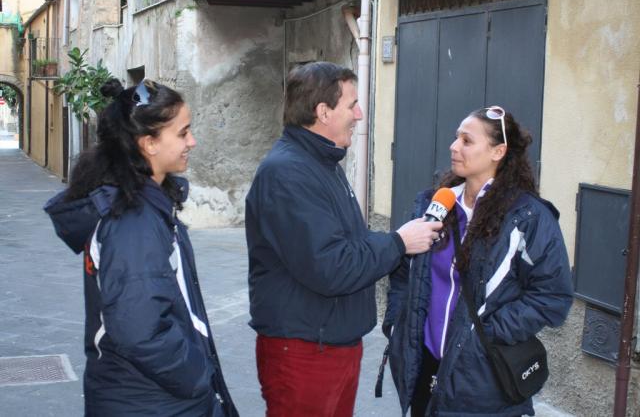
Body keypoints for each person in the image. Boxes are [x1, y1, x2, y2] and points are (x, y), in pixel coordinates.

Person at [245, 61, 442, 417]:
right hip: (305, 350)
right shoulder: (288, 173)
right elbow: (331, 266)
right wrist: (398, 243)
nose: (359, 114)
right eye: (352, 105)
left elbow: (347, 242)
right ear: (323, 112)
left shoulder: (321, 164)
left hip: (330, 343)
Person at [44, 79, 238, 417]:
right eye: (183, 133)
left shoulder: (146, 204)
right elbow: (139, 330)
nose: (192, 141)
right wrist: (196, 375)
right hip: (152, 402)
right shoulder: (134, 222)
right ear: (149, 143)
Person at [382, 106, 574, 416]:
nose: (453, 146)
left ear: (498, 151)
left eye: (467, 141)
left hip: (480, 378)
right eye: (456, 137)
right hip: (424, 367)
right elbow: (405, 269)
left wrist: (486, 334)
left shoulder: (527, 218)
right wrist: (397, 324)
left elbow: (552, 297)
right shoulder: (435, 204)